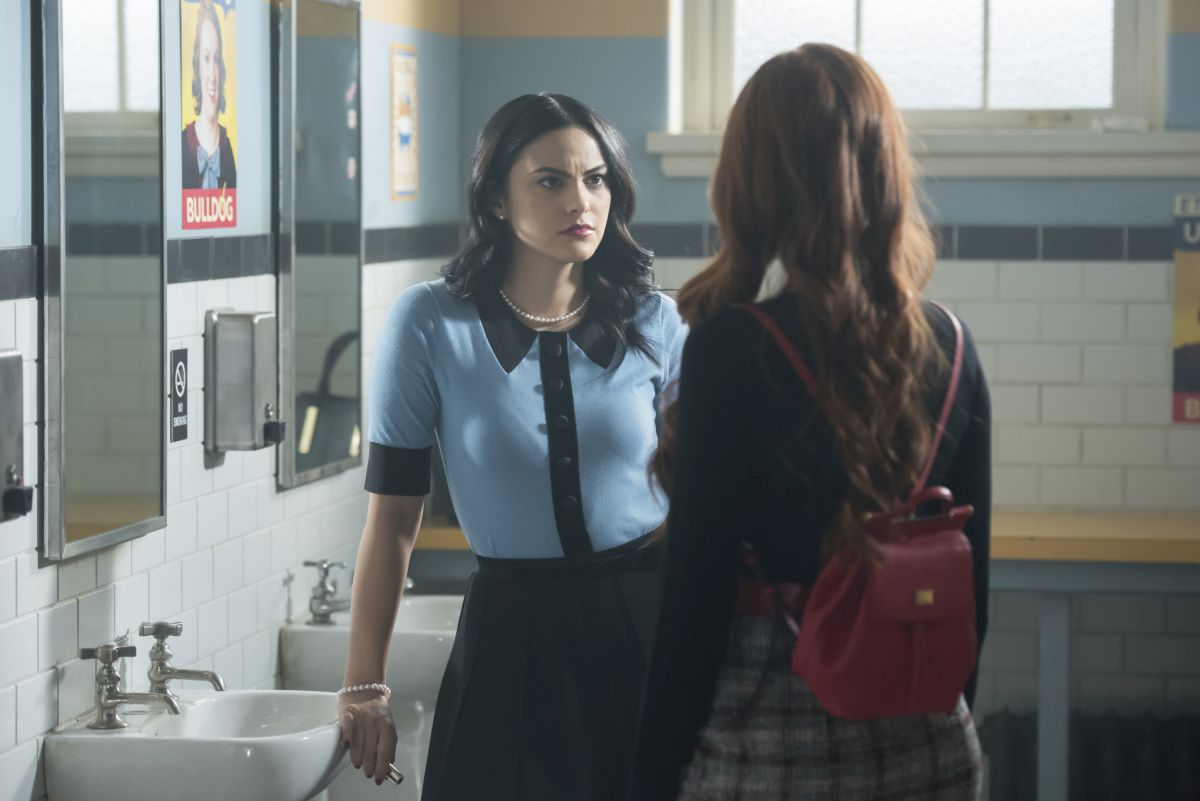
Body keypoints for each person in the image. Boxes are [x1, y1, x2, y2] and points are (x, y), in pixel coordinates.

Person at [629, 44, 991, 801]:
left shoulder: (733, 349)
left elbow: (694, 606)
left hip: (771, 750)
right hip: (933, 743)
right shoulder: (954, 347)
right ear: (884, 172)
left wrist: (652, 778)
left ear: (752, 181)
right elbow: (972, 593)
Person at [338, 92, 686, 801]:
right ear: (496, 198)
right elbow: (393, 520)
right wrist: (363, 685)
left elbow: (700, 495)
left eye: (595, 179)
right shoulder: (429, 323)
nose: (580, 201)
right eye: (550, 181)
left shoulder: (657, 321)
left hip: (646, 624)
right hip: (510, 637)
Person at [181, 0, 237, 190]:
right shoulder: (182, 144)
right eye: (206, 59)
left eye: (217, 60)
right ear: (197, 65)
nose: (212, 76)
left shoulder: (227, 147)